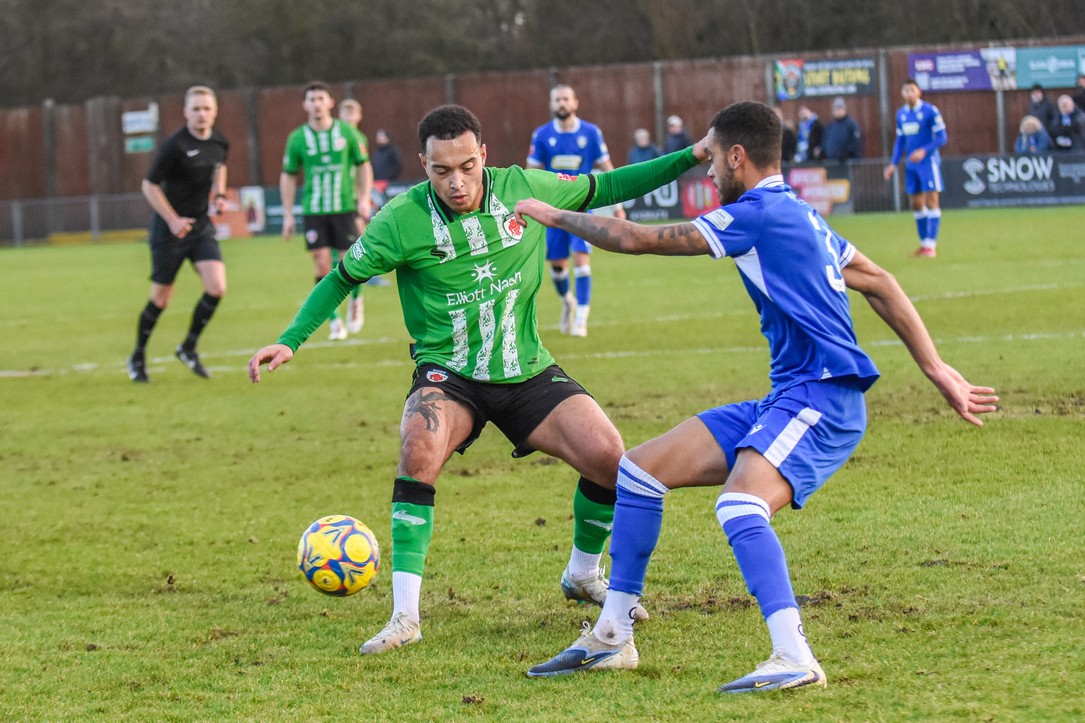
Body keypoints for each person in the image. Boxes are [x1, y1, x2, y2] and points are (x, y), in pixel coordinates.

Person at [515, 100, 997, 693]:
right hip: (790, 396)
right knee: (638, 471)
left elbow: (638, 239)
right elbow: (879, 280)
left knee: (740, 504)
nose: (709, 170)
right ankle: (612, 635)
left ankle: (793, 654)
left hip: (823, 399)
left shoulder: (755, 213)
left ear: (737, 156)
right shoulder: (801, 214)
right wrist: (937, 368)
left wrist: (552, 214)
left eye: (713, 158)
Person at [248, 104, 709, 657]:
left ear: (483, 155)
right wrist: (291, 339)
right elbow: (341, 277)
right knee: (418, 449)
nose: (457, 182)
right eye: (442, 170)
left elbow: (608, 185)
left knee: (611, 460)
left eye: (467, 167)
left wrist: (692, 154)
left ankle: (583, 574)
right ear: (423, 165)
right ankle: (405, 617)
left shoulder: (523, 188)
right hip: (450, 375)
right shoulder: (400, 219)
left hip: (526, 369)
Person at [126, 85, 229, 383]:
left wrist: (220, 195)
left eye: (206, 108)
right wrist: (172, 220)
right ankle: (137, 356)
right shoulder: (175, 145)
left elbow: (220, 166)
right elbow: (149, 185)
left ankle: (188, 347)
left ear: (215, 111)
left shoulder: (220, 142)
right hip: (169, 231)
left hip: (200, 226)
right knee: (161, 299)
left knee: (217, 287)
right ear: (186, 112)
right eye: (196, 109)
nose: (201, 114)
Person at [527, 84, 626, 337]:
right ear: (552, 104)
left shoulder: (591, 133)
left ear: (575, 103)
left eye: (565, 99)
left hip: (582, 208)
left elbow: (607, 167)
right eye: (557, 99)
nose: (562, 103)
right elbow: (532, 172)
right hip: (552, 210)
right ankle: (567, 302)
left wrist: (618, 205)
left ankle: (581, 319)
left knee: (582, 262)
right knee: (558, 266)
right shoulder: (542, 134)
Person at [280, 81, 371, 341]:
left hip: (344, 207)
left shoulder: (347, 132)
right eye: (312, 99)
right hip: (314, 209)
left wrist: (364, 198)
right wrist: (288, 213)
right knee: (321, 263)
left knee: (348, 262)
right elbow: (288, 175)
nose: (317, 104)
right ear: (305, 105)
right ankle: (334, 322)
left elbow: (363, 165)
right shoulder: (297, 138)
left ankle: (356, 301)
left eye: (321, 98)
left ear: (330, 102)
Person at [883, 79, 947, 258]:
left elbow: (942, 137)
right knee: (916, 204)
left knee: (932, 201)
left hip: (928, 163)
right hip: (911, 166)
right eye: (906, 90)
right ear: (902, 94)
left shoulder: (930, 111)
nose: (909, 93)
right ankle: (924, 244)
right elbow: (900, 141)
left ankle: (931, 246)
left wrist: (923, 151)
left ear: (919, 92)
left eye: (912, 90)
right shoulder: (901, 114)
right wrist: (893, 163)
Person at [338, 97, 387, 305]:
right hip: (341, 197)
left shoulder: (358, 138)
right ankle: (362, 273)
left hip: (354, 196)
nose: (348, 117)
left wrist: (363, 195)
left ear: (359, 116)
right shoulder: (336, 137)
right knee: (357, 235)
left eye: (352, 113)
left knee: (360, 234)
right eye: (345, 113)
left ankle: (365, 273)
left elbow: (362, 168)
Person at [820, 97, 862, 163]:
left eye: (839, 108)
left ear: (844, 109)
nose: (837, 111)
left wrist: (847, 154)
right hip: (831, 162)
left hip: (846, 162)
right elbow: (824, 141)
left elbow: (855, 142)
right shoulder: (830, 126)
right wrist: (822, 151)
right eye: (835, 109)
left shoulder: (851, 124)